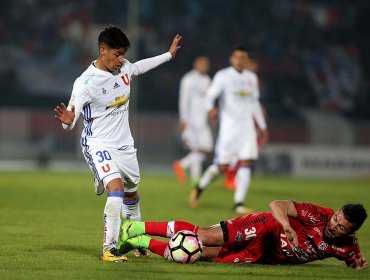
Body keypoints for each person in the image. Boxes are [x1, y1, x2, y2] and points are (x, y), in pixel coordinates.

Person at [54, 26, 182, 262]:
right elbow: (70, 118)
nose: (121, 59)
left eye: (123, 54)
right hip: (97, 144)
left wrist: (168, 55)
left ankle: (135, 239)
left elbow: (139, 67)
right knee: (116, 190)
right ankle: (109, 249)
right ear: (103, 51)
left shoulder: (124, 67)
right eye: (117, 54)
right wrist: (67, 123)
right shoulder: (85, 83)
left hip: (124, 145)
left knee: (132, 193)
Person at [118, 200, 368, 269]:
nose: (333, 226)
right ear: (335, 212)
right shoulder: (316, 215)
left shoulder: (347, 247)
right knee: (204, 236)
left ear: (351, 231)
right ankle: (136, 227)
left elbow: (354, 261)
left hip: (261, 255)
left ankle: (137, 241)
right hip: (264, 227)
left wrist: (357, 265)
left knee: (197, 254)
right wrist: (287, 226)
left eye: (341, 227)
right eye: (336, 218)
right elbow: (276, 205)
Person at [189, 46, 268, 214]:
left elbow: (255, 103)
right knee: (222, 166)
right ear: (232, 59)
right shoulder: (223, 76)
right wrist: (210, 108)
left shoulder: (251, 78)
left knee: (246, 162)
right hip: (229, 129)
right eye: (237, 57)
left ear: (246, 60)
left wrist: (262, 126)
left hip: (247, 128)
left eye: (243, 57)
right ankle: (199, 187)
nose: (240, 60)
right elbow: (210, 96)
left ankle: (238, 203)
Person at [173, 56, 213, 186]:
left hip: (203, 121)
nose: (205, 65)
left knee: (203, 149)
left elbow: (208, 101)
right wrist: (184, 119)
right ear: (195, 64)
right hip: (191, 121)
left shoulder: (207, 80)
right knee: (203, 149)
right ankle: (183, 166)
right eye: (202, 63)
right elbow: (183, 100)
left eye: (206, 63)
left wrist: (211, 115)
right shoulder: (188, 79)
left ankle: (193, 175)